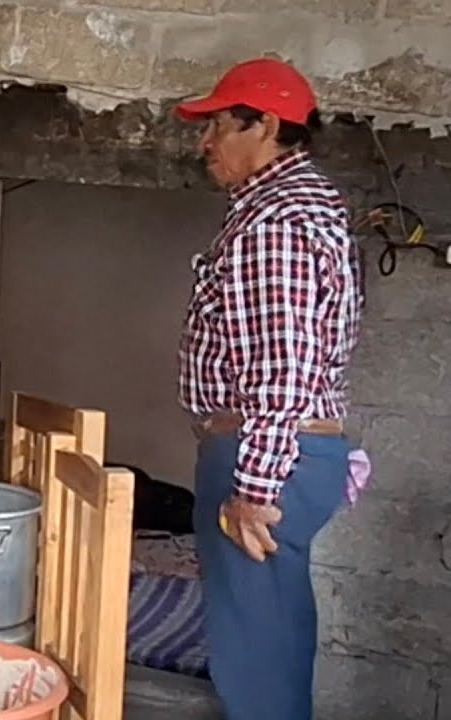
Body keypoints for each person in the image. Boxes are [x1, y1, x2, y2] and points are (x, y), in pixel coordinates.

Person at [175, 58, 362, 720]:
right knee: (274, 638)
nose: (206, 143)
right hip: (288, 451)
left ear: (268, 127)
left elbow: (282, 366)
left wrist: (254, 489)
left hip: (263, 455)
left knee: (254, 656)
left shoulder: (274, 223)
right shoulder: (299, 205)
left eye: (220, 126)